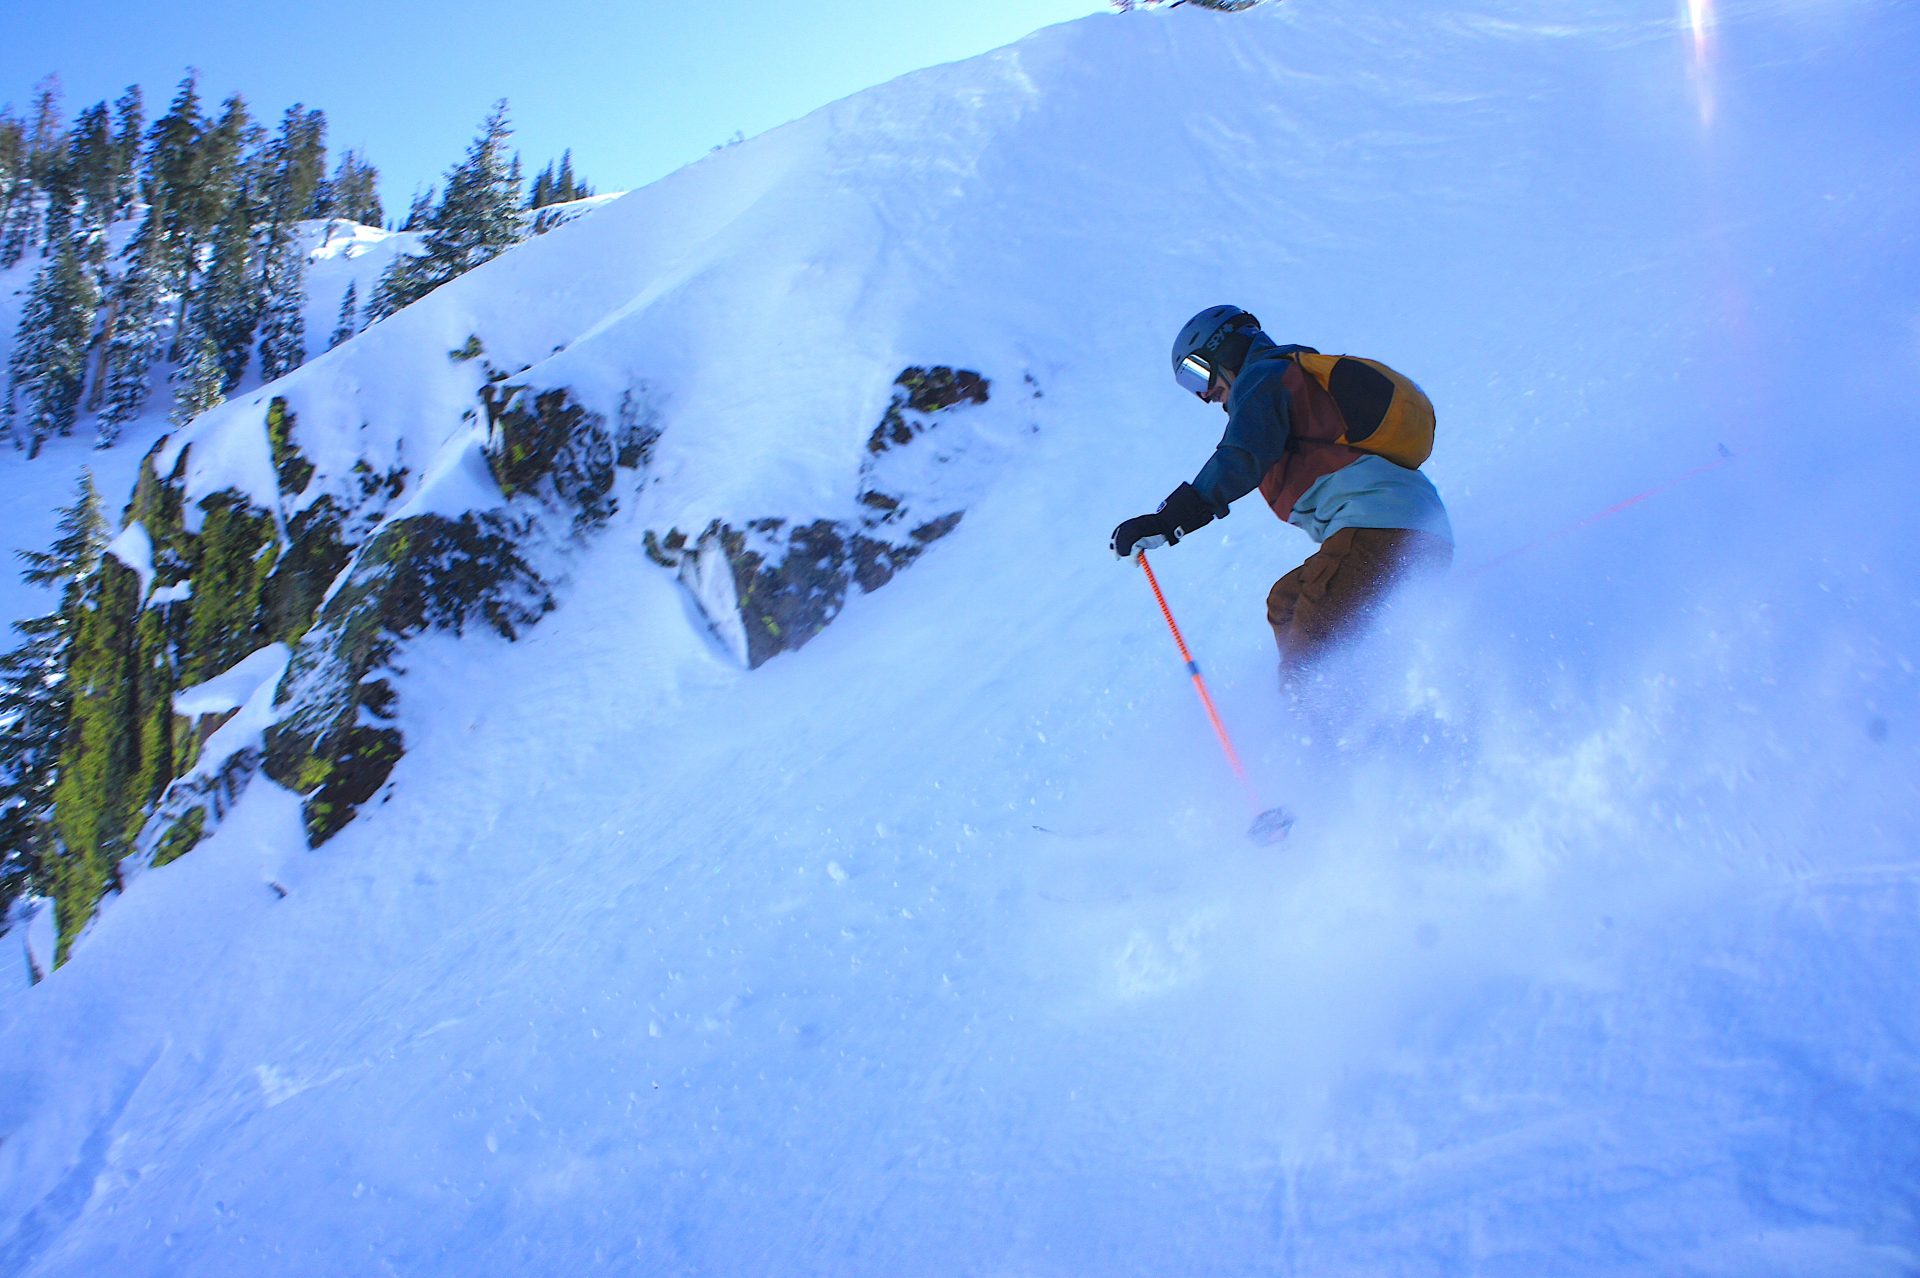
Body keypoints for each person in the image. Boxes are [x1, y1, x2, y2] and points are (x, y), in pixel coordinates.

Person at [1110, 305, 1453, 688]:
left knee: (1310, 666)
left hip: (1377, 529)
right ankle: (1389, 712)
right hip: (1406, 529)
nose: (1204, 395)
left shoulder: (1265, 378)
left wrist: (1169, 520)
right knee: (1286, 603)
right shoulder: (1292, 380)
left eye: (1197, 374)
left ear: (1225, 351)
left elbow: (1242, 454)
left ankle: (1327, 738)